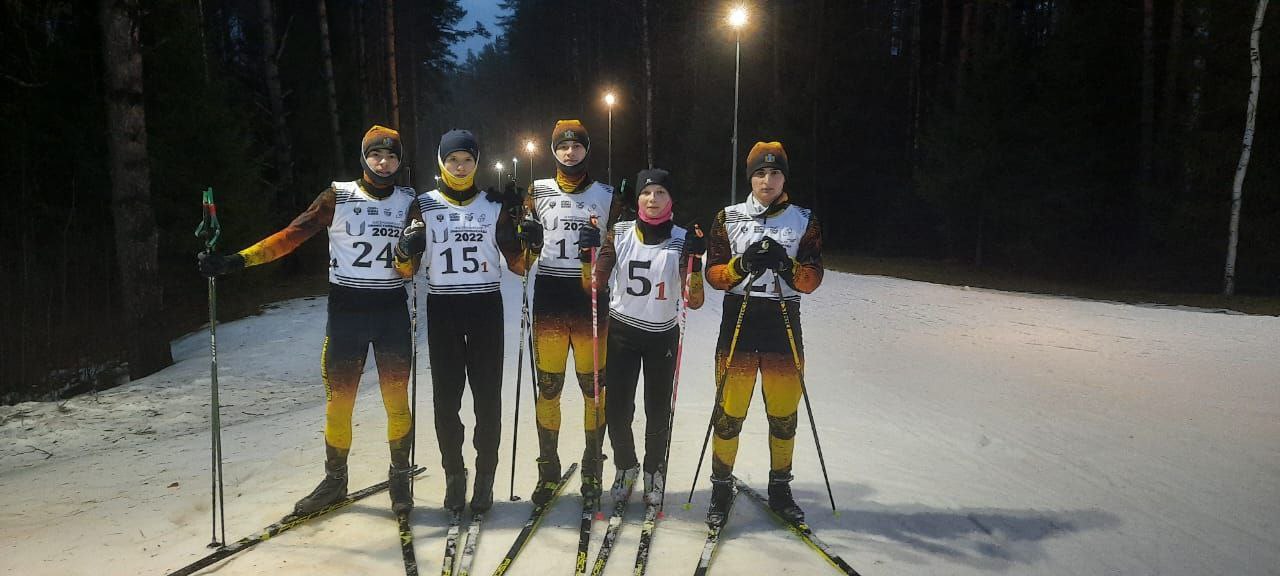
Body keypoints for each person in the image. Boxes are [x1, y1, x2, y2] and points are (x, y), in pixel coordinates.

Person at [197, 125, 420, 516]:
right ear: (363, 157)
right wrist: (236, 261)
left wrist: (405, 253)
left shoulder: (409, 201)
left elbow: (410, 270)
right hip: (347, 312)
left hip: (390, 312)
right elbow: (290, 236)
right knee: (339, 403)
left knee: (397, 400)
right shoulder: (338, 196)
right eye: (375, 155)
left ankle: (400, 477)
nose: (383, 163)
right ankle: (335, 480)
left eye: (391, 156)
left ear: (399, 161)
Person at [392, 129, 527, 515]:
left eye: (467, 160)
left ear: (476, 163)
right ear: (442, 162)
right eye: (453, 160)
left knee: (487, 398)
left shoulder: (493, 205)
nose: (461, 166)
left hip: (485, 306)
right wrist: (404, 250)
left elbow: (519, 265)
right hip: (444, 307)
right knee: (446, 399)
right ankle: (455, 473)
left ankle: (485, 476)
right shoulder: (423, 205)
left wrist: (529, 238)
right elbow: (406, 269)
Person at [703, 141, 824, 526]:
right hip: (739, 318)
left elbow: (812, 278)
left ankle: (780, 488)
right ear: (750, 178)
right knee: (729, 413)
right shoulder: (727, 217)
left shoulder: (804, 219)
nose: (767, 180)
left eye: (774, 173)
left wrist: (786, 265)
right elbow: (714, 275)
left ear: (784, 178)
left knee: (784, 414)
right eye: (759, 173)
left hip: (782, 320)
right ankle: (721, 486)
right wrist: (741, 265)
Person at [592, 168, 705, 507]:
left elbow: (694, 300)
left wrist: (696, 264)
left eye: (660, 193)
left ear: (671, 199)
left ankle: (655, 469)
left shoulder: (682, 239)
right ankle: (626, 466)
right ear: (638, 197)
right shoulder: (620, 232)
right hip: (622, 334)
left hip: (661, 336)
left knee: (657, 410)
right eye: (646, 192)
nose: (652, 199)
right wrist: (589, 251)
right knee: (617, 409)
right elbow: (596, 282)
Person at [521, 119, 619, 506]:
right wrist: (527, 240)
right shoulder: (537, 191)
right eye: (563, 147)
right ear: (553, 151)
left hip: (590, 297)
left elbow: (618, 246)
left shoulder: (607, 195)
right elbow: (523, 254)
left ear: (586, 150)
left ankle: (593, 468)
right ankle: (548, 471)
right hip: (550, 296)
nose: (570, 152)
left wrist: (603, 248)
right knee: (549, 387)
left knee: (594, 389)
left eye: (577, 146)